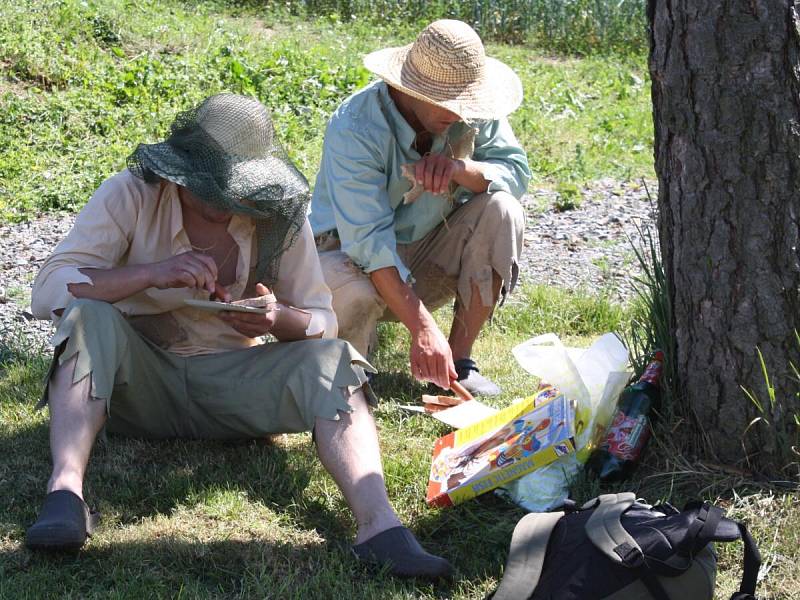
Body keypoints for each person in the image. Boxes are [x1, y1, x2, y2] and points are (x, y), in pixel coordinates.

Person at [25, 93, 452, 579]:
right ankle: (65, 494)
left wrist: (275, 319)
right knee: (87, 317)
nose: (221, 203)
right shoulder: (132, 192)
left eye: (232, 190)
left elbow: (321, 321)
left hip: (235, 390)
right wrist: (151, 274)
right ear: (179, 172)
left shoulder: (273, 212)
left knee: (335, 360)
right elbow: (50, 289)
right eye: (206, 189)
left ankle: (379, 526)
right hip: (136, 387)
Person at [310, 19, 531, 397]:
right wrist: (423, 329)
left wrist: (462, 169)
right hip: (348, 260)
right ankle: (352, 369)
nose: (461, 114)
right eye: (448, 103)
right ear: (408, 89)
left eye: (467, 103)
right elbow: (369, 246)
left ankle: (458, 365)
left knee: (504, 209)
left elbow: (516, 172)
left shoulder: (474, 112)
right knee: (357, 293)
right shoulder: (357, 127)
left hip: (426, 256)